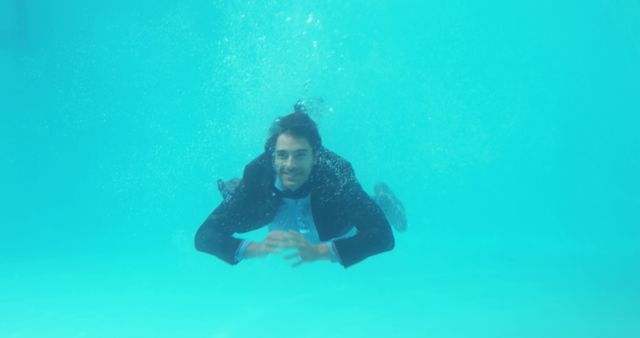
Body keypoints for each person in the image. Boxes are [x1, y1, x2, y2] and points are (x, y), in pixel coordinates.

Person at [194, 102, 396, 268]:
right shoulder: (257, 174)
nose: (290, 166)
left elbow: (383, 236)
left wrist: (321, 252)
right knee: (242, 200)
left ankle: (383, 202)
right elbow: (204, 236)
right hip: (270, 205)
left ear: (315, 156)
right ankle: (235, 192)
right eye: (282, 155)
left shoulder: (335, 175)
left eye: (300, 155)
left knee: (364, 212)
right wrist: (255, 249)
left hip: (334, 225)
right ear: (273, 156)